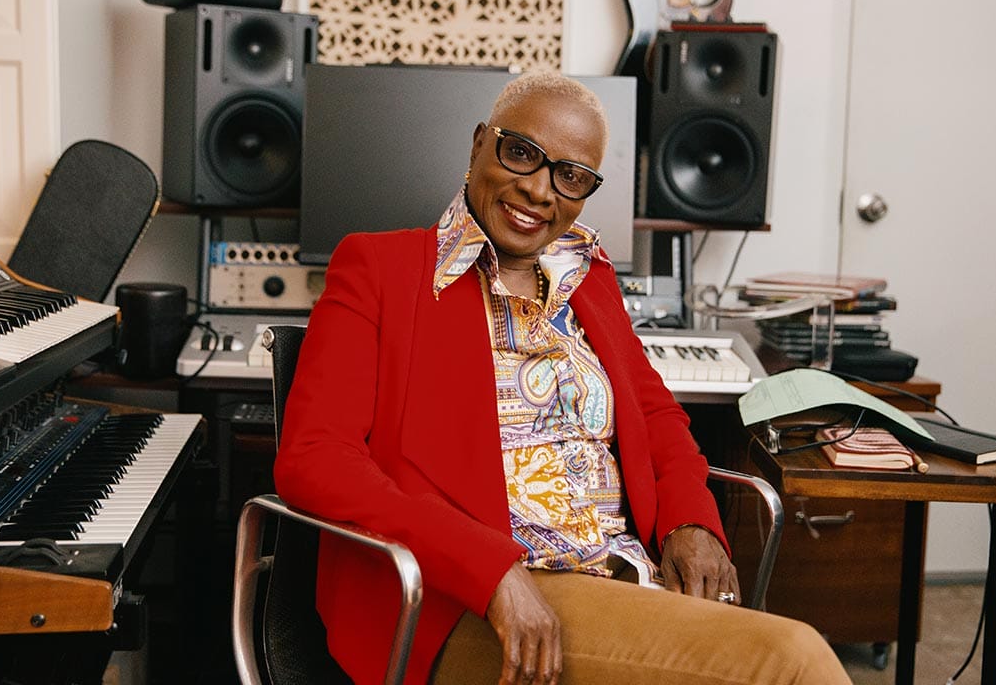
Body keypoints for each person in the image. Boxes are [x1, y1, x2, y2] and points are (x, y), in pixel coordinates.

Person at [274, 72, 851, 685]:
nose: (539, 191)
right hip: (460, 604)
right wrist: (490, 570)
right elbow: (315, 458)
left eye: (570, 176)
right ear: (477, 146)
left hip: (620, 574)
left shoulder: (588, 279)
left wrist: (690, 520)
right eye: (521, 152)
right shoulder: (380, 269)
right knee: (793, 660)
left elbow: (656, 418)